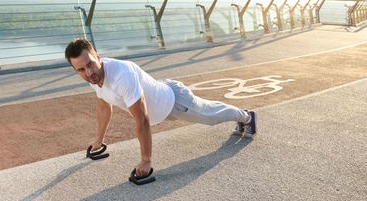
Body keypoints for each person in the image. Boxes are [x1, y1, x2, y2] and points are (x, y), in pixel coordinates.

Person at [65, 38, 256, 177]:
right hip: (160, 100)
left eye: (90, 64)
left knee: (211, 116)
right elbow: (103, 105)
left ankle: (247, 117)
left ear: (98, 57)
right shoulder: (93, 77)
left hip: (173, 102)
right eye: (81, 69)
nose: (88, 72)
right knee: (211, 114)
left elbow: (142, 119)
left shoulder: (121, 75)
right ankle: (244, 116)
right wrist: (99, 141)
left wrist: (146, 161)